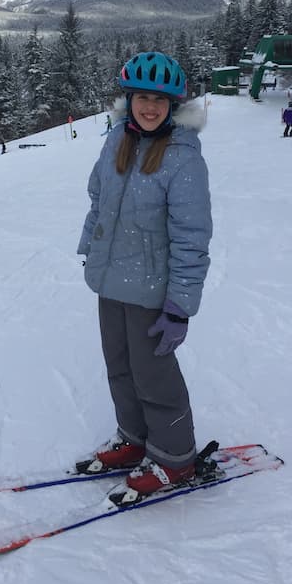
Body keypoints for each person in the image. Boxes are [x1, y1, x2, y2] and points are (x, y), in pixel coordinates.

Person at [77, 51, 213, 497]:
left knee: (154, 377)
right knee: (119, 368)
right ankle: (134, 441)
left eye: (160, 99)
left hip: (153, 291)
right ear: (129, 99)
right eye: (142, 97)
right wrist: (89, 251)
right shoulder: (116, 138)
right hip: (110, 280)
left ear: (173, 105)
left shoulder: (183, 158)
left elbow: (192, 238)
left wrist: (179, 307)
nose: (149, 107)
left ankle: (175, 459)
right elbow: (98, 200)